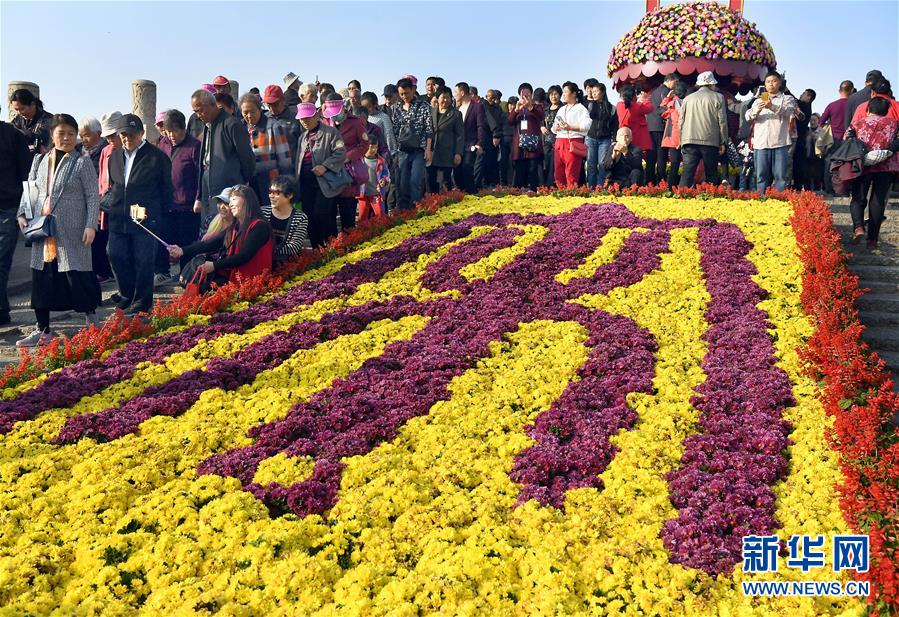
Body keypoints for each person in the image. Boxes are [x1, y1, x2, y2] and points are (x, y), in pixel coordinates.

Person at [16, 114, 101, 346]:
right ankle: (43, 330)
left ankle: (92, 323)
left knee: (78, 275)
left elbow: (93, 196)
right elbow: (30, 190)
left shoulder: (81, 162)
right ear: (52, 135)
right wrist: (22, 213)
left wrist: (90, 225)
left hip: (73, 229)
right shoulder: (40, 161)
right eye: (61, 133)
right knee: (42, 277)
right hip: (43, 229)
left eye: (71, 134)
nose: (66, 138)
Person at [101, 114, 173, 315]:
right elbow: (115, 186)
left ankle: (142, 301)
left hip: (145, 219)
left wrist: (156, 216)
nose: (127, 138)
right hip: (118, 216)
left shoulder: (157, 157)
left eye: (132, 134)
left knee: (143, 260)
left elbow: (167, 190)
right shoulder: (114, 157)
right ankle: (126, 294)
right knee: (115, 254)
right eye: (123, 134)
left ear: (141, 133)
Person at [168, 184, 272, 291]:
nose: (230, 205)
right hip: (236, 280)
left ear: (246, 201)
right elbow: (211, 243)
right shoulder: (236, 226)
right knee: (200, 289)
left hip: (253, 283)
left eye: (233, 200)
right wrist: (182, 250)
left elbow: (244, 256)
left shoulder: (259, 226)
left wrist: (214, 265)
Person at [192, 89, 256, 231]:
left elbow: (247, 158)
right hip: (208, 185)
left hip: (228, 187)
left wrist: (238, 180)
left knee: (225, 231)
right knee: (208, 230)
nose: (198, 115)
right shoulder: (207, 126)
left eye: (200, 110)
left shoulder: (231, 124)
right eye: (195, 111)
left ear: (211, 105)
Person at [847, 96, 899, 249]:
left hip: (862, 165)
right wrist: (888, 151)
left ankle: (858, 227)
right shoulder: (894, 124)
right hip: (886, 166)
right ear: (887, 110)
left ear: (868, 109)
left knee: (858, 197)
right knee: (878, 200)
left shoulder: (857, 124)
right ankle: (872, 240)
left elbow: (848, 139)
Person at [157, 109, 202, 282]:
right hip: (167, 203)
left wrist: (198, 198)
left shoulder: (194, 146)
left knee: (186, 241)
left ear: (184, 129)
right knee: (165, 238)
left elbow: (200, 175)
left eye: (175, 131)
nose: (172, 135)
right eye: (168, 132)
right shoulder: (163, 144)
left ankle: (186, 274)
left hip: (187, 204)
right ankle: (163, 273)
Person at [294, 102, 347, 247]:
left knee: (322, 215)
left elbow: (341, 152)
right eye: (302, 119)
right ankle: (317, 251)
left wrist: (325, 166)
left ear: (316, 115)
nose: (304, 121)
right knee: (309, 217)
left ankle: (332, 247)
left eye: (307, 118)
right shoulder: (302, 137)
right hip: (306, 183)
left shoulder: (331, 132)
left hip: (325, 183)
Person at [0, 104, 30, 325]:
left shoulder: (13, 136)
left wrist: (24, 209)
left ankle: (1, 311)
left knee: (1, 260)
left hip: (9, 206)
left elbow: (26, 176)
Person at [322, 94, 369, 232]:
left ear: (343, 107)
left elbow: (364, 144)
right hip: (330, 172)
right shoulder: (326, 123)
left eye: (336, 113)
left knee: (347, 210)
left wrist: (348, 157)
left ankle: (350, 241)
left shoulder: (355, 123)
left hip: (348, 172)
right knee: (329, 211)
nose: (334, 116)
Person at [746, 72, 797, 194]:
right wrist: (757, 110)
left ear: (779, 83)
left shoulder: (787, 99)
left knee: (780, 176)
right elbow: (747, 116)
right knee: (761, 176)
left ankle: (780, 200)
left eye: (774, 81)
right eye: (768, 82)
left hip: (779, 142)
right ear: (765, 84)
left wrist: (771, 106)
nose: (771, 84)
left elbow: (788, 110)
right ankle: (761, 200)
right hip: (761, 143)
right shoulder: (758, 101)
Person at [239, 93, 293, 206]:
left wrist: (285, 184)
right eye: (245, 112)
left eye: (252, 112)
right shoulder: (239, 128)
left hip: (270, 181)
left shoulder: (273, 126)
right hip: (249, 183)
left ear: (259, 109)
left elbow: (284, 160)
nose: (249, 116)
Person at [678, 71, 728, 187]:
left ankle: (681, 197)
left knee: (687, 173)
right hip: (710, 140)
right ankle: (711, 200)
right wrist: (723, 141)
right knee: (711, 173)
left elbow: (681, 122)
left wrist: (682, 140)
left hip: (689, 140)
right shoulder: (718, 97)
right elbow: (722, 122)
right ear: (712, 84)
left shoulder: (687, 98)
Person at [390, 77, 434, 210]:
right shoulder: (395, 108)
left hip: (419, 149)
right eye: (401, 94)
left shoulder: (423, 106)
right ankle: (404, 212)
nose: (404, 96)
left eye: (406, 93)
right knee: (402, 183)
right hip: (403, 150)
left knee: (415, 180)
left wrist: (428, 149)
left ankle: (416, 209)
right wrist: (395, 153)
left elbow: (429, 129)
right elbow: (395, 131)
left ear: (413, 90)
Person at [262, 175, 311, 266]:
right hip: (264, 262)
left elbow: (293, 247)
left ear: (289, 195)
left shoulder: (300, 217)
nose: (271, 196)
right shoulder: (263, 212)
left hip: (287, 265)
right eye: (270, 192)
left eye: (276, 193)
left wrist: (267, 251)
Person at [551, 81, 591, 187]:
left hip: (573, 141)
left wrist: (570, 127)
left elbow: (587, 125)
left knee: (571, 172)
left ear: (573, 94)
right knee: (558, 172)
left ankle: (571, 195)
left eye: (565, 92)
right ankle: (559, 194)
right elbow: (554, 128)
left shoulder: (581, 108)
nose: (563, 95)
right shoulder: (561, 109)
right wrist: (555, 127)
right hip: (559, 141)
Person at [508, 82, 545, 191]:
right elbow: (509, 122)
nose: (525, 96)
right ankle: (518, 191)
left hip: (533, 142)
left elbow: (541, 117)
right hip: (519, 143)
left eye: (528, 93)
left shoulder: (537, 106)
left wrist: (530, 107)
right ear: (519, 95)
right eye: (523, 94)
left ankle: (533, 190)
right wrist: (516, 110)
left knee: (533, 168)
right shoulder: (517, 108)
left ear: (532, 94)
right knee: (519, 168)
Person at [428, 86, 464, 193]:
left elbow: (460, 135)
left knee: (445, 182)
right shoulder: (430, 112)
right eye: (443, 97)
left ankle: (446, 205)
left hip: (447, 154)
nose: (446, 100)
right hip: (432, 153)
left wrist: (458, 153)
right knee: (431, 181)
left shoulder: (456, 114)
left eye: (448, 97)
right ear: (437, 98)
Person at [454, 82, 487, 193]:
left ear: (462, 92)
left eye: (456, 92)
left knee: (467, 169)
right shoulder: (457, 108)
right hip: (458, 146)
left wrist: (479, 143)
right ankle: (461, 194)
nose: (455, 95)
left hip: (471, 144)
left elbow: (480, 126)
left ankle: (472, 194)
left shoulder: (477, 107)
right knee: (457, 173)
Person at [584, 80, 617, 188]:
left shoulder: (611, 108)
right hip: (591, 138)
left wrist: (614, 139)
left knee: (602, 164)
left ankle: (600, 187)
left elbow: (615, 125)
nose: (593, 93)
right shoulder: (589, 106)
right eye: (592, 91)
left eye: (595, 91)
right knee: (591, 164)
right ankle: (591, 187)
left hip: (605, 140)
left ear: (602, 92)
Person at [616, 85, 654, 175]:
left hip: (624, 139)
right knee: (637, 164)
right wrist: (645, 99)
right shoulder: (637, 106)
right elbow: (650, 108)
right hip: (637, 140)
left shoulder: (619, 105)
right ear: (634, 96)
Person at [649, 73, 679, 183]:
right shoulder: (666, 91)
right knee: (662, 155)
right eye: (675, 83)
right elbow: (664, 109)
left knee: (652, 155)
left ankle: (650, 180)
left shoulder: (655, 91)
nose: (676, 86)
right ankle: (661, 180)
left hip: (652, 126)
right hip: (660, 127)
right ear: (669, 80)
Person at [9, 89, 52, 157]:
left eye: (22, 109)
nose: (19, 113)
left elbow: (41, 138)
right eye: (16, 110)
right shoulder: (18, 119)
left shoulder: (48, 119)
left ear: (32, 104)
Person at [659, 81, 686, 186]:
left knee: (674, 165)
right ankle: (685, 187)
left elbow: (661, 111)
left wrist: (667, 98)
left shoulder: (671, 104)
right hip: (686, 137)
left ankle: (671, 187)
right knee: (688, 165)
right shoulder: (689, 102)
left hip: (673, 139)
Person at [358, 136, 390, 221]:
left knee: (379, 215)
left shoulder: (380, 161)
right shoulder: (360, 160)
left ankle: (381, 231)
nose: (373, 150)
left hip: (376, 194)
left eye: (376, 147)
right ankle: (362, 233)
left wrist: (384, 180)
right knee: (362, 217)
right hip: (363, 195)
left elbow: (386, 173)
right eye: (371, 147)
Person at [481, 89, 504, 188]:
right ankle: (484, 183)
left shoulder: (498, 108)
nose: (492, 99)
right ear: (486, 96)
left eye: (494, 97)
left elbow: (501, 122)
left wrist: (497, 135)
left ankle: (493, 183)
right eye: (490, 96)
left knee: (494, 161)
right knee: (484, 162)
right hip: (484, 137)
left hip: (495, 138)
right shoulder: (482, 106)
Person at [540, 85, 562, 187]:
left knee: (556, 163)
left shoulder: (563, 108)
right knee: (547, 163)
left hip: (559, 139)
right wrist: (542, 127)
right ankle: (546, 185)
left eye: (556, 94)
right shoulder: (545, 110)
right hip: (546, 140)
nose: (553, 96)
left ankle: (556, 184)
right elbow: (540, 122)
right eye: (551, 94)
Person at [804, 113, 824, 191]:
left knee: (817, 176)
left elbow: (823, 144)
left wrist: (816, 138)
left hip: (818, 157)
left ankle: (817, 191)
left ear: (818, 121)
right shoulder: (806, 130)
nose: (812, 122)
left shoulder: (822, 131)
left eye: (814, 120)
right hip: (808, 156)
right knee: (807, 176)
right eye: (811, 120)